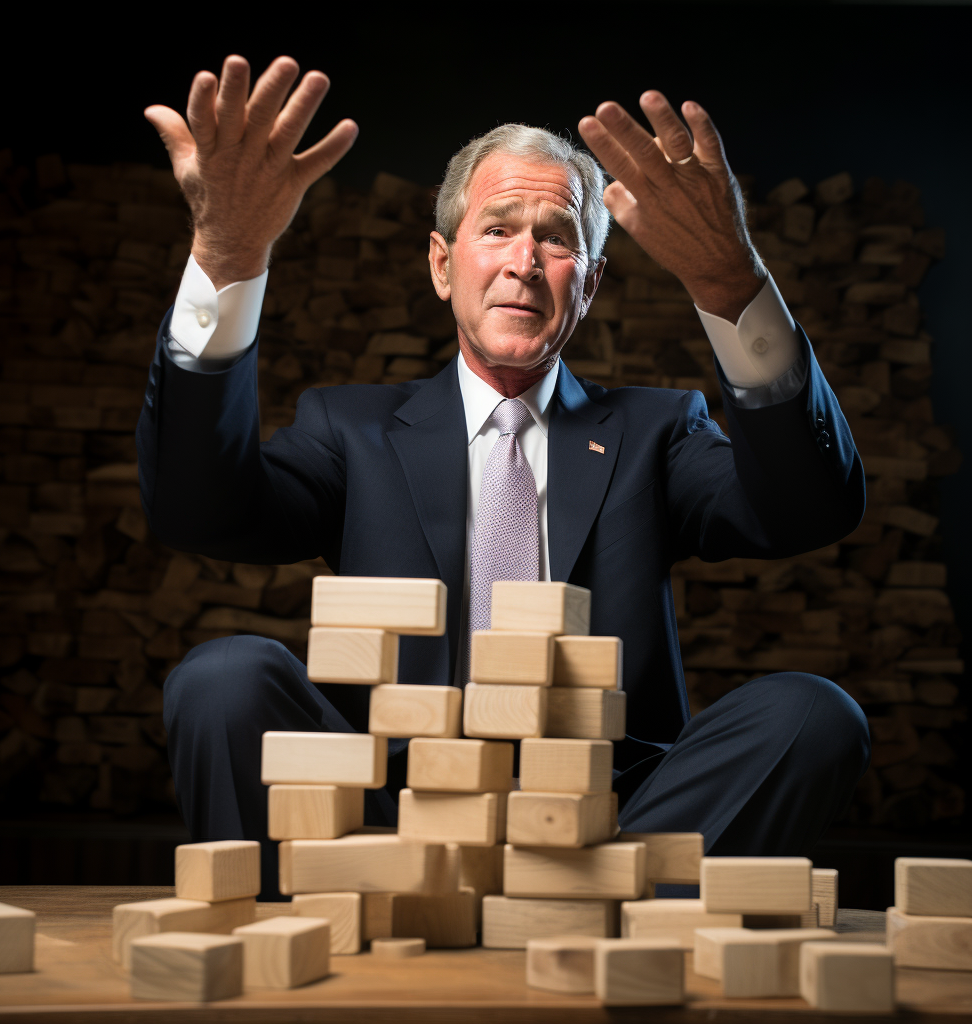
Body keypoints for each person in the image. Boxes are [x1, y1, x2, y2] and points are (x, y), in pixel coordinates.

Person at [138, 54, 870, 900]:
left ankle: (599, 927)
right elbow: (200, 511)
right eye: (498, 229)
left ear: (588, 285)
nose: (525, 259)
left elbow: (809, 509)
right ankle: (300, 958)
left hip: (615, 826)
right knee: (222, 678)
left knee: (812, 714)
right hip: (386, 822)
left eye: (556, 238)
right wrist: (225, 259)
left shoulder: (657, 431)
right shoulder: (352, 429)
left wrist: (730, 283)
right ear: (444, 266)